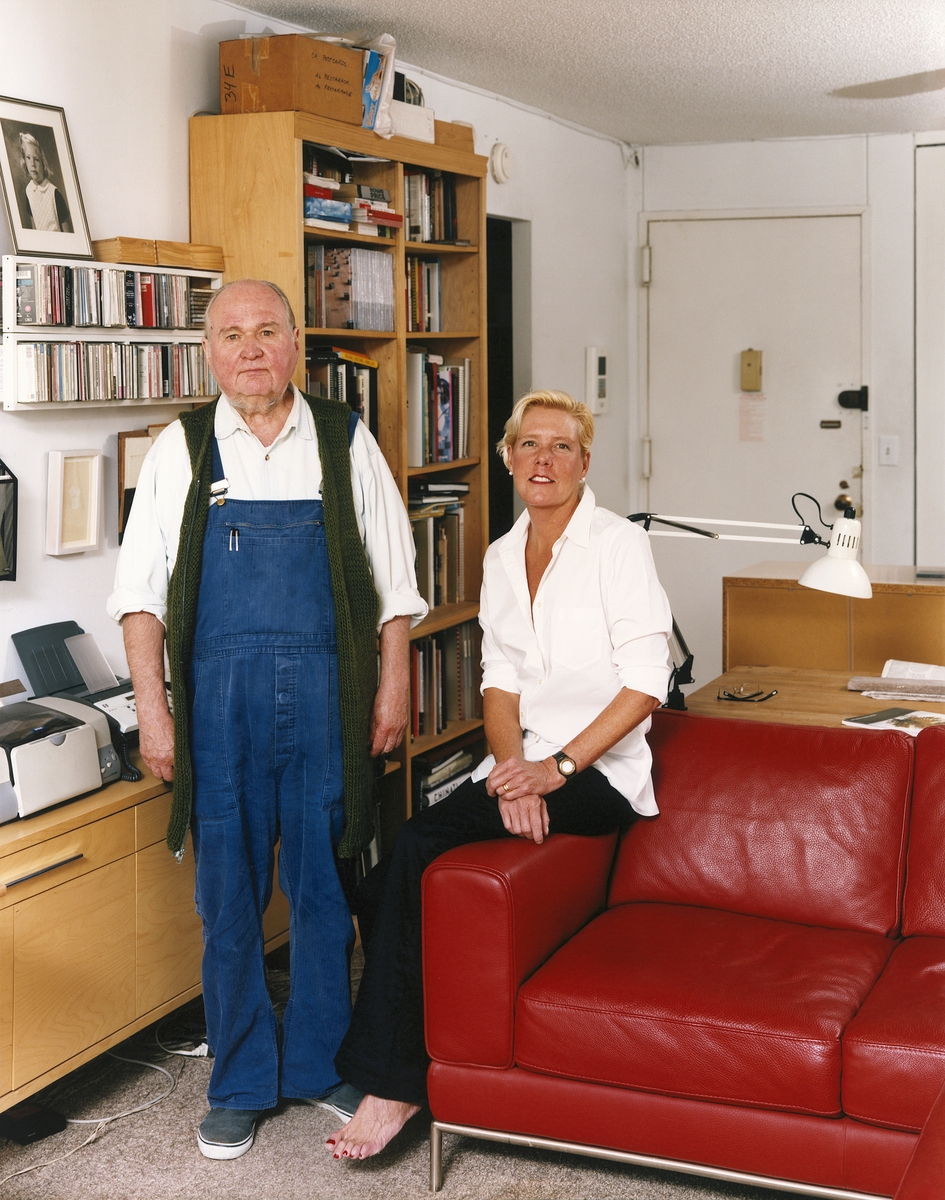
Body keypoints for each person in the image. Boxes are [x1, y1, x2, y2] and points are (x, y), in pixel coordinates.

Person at [107, 279, 426, 1160]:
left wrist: (392, 691)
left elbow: (394, 591)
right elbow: (139, 602)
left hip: (328, 700)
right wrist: (154, 714)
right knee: (229, 898)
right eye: (231, 334)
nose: (251, 349)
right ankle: (240, 1079)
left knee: (324, 890)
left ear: (297, 345)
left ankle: (320, 1063)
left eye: (268, 331)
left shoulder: (343, 440)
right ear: (209, 351)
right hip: (219, 709)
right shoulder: (180, 447)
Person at [327, 389, 673, 1159]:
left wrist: (553, 770)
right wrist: (512, 769)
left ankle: (393, 1085)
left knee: (415, 841)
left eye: (559, 446)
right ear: (507, 458)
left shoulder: (617, 546)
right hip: (526, 760)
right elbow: (499, 681)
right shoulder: (498, 554)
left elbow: (646, 682)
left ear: (585, 462)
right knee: (390, 873)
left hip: (600, 770)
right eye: (528, 445)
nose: (542, 460)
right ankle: (392, 1048)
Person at [18, 132, 72, 232]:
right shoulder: (29, 190)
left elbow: (67, 231)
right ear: (24, 160)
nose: (32, 164)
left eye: (37, 159)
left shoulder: (54, 193)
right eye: (28, 158)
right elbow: (34, 226)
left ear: (43, 163)